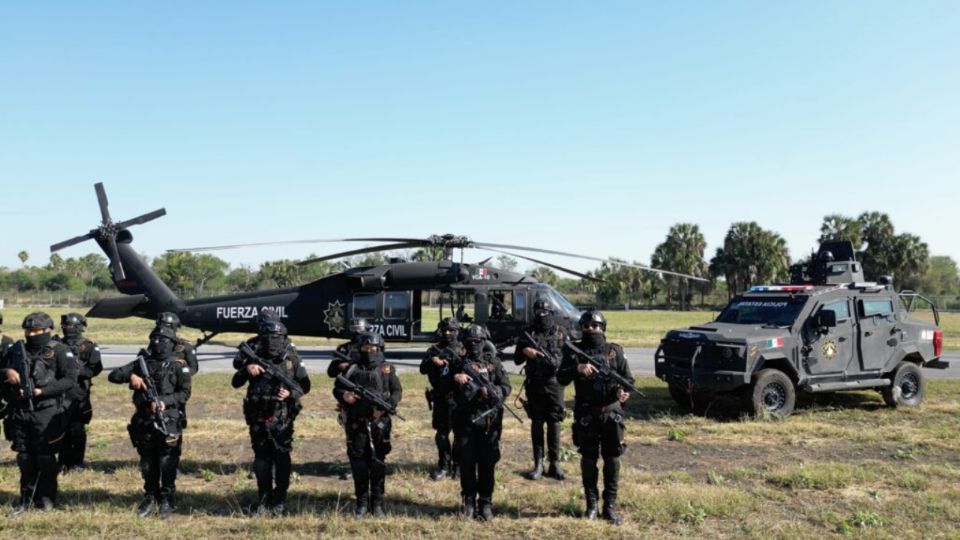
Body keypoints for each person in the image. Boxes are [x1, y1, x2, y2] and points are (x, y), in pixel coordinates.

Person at [557, 310, 634, 525]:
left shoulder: (614, 351)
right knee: (589, 460)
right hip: (586, 414)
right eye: (586, 326)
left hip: (611, 413)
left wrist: (623, 393)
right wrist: (577, 368)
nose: (590, 329)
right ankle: (591, 505)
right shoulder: (575, 351)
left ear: (603, 328)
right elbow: (560, 378)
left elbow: (628, 379)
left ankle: (609, 506)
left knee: (612, 459)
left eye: (595, 325)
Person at [108, 325, 191, 518]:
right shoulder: (142, 362)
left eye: (162, 340)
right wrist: (131, 376)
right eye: (154, 339)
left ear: (171, 343)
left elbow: (184, 393)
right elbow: (113, 376)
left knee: (167, 461)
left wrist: (164, 402)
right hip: (144, 420)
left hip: (168, 419)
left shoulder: (179, 365)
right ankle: (150, 496)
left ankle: (167, 498)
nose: (157, 343)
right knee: (147, 462)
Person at [1, 312, 77, 514]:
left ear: (48, 330)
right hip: (20, 410)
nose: (31, 334)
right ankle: (26, 498)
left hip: (46, 410)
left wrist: (43, 391)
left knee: (45, 457)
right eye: (28, 331)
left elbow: (70, 380)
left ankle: (46, 498)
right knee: (25, 457)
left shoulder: (60, 351)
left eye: (36, 331)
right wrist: (7, 373)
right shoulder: (17, 350)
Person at [232, 319, 310, 516]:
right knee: (261, 460)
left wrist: (291, 394)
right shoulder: (253, 356)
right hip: (257, 416)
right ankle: (264, 499)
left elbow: (305, 385)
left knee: (282, 459)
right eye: (269, 338)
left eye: (277, 338)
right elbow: (235, 382)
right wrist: (246, 369)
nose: (273, 342)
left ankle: (280, 500)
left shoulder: (291, 359)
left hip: (281, 417)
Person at [333, 333, 402, 517]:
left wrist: (388, 407)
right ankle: (362, 503)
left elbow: (396, 390)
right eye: (366, 349)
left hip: (379, 423)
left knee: (378, 463)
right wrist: (344, 396)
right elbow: (337, 387)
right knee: (359, 465)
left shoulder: (387, 369)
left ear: (380, 349)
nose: (370, 352)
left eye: (374, 349)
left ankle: (377, 503)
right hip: (356, 424)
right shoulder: (352, 369)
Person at [451, 324, 511, 521]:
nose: (474, 345)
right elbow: (441, 386)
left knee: (487, 463)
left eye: (478, 341)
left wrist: (497, 392)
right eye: (470, 341)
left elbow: (506, 386)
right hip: (465, 420)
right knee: (466, 462)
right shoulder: (457, 362)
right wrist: (455, 378)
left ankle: (485, 503)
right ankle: (468, 501)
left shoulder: (493, 362)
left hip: (489, 421)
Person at [514, 298, 567, 481]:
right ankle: (538, 464)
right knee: (537, 423)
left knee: (554, 423)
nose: (541, 316)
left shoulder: (561, 333)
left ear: (551, 313)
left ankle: (555, 463)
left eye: (545, 312)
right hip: (534, 383)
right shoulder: (528, 333)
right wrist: (525, 352)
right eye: (538, 312)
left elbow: (568, 358)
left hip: (554, 384)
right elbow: (516, 360)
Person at [54, 313, 103, 472]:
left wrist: (73, 371)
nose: (69, 330)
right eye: (66, 326)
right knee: (60, 428)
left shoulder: (89, 346)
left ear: (80, 327)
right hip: (59, 393)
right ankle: (62, 461)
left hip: (79, 393)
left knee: (77, 429)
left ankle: (76, 462)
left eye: (72, 326)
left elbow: (94, 370)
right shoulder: (56, 344)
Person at [327, 318, 373, 481]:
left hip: (368, 394)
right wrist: (340, 366)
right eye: (354, 330)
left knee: (372, 434)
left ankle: (371, 464)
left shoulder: (372, 346)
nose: (357, 334)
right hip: (348, 396)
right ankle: (354, 466)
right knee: (352, 435)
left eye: (359, 330)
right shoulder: (343, 349)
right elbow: (331, 372)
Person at [419, 317, 463, 481]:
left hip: (459, 399)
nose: (447, 333)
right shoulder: (434, 350)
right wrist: (433, 361)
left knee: (460, 435)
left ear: (457, 331)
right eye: (444, 330)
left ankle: (458, 466)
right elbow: (422, 369)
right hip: (441, 398)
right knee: (442, 435)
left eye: (451, 330)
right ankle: (444, 465)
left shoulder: (463, 348)